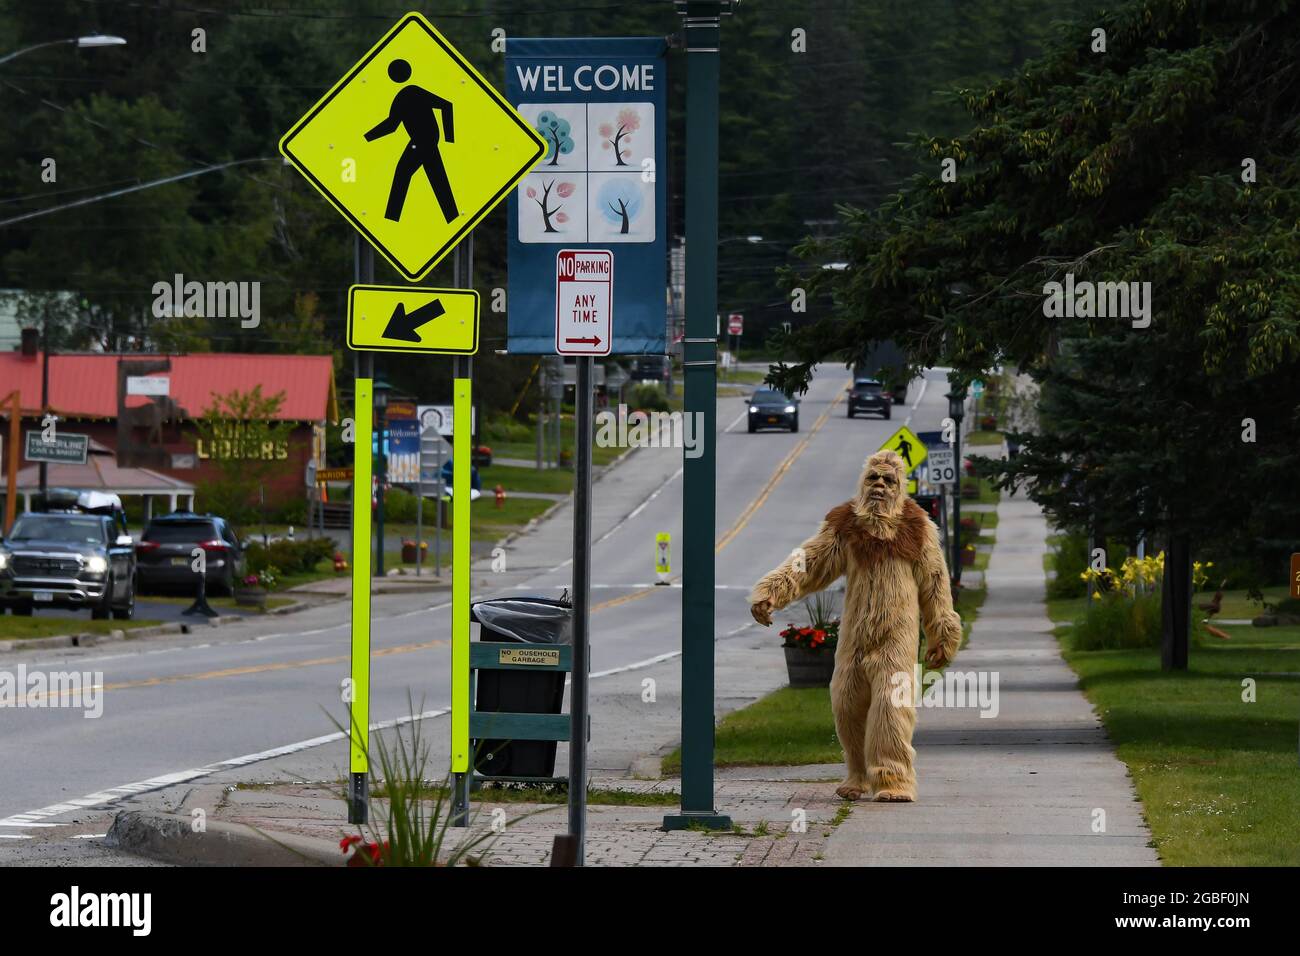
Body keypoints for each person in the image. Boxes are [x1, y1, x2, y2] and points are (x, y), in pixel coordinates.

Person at [365, 58, 460, 224]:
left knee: (403, 173)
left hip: (423, 140)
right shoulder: (404, 96)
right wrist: (367, 138)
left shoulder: (411, 92)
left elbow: (446, 105)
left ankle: (391, 219)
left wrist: (449, 139)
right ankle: (452, 217)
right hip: (425, 140)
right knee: (437, 178)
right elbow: (392, 125)